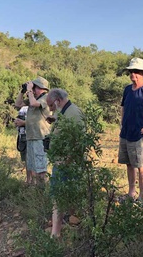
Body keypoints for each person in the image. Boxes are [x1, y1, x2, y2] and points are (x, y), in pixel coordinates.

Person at [118, 57, 143, 201]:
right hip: (125, 133)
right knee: (129, 164)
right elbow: (123, 107)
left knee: (141, 166)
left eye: (136, 72)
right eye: (131, 71)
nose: (133, 74)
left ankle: (141, 196)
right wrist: (122, 124)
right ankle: (131, 193)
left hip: (138, 135)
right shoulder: (128, 89)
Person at [45, 88, 84, 238]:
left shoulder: (74, 113)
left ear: (58, 101)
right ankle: (67, 228)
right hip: (62, 161)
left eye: (51, 106)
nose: (50, 109)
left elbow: (79, 141)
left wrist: (65, 160)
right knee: (65, 197)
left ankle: (56, 233)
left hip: (66, 163)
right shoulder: (64, 111)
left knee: (58, 197)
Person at [15, 76, 51, 184]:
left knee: (40, 169)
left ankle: (42, 191)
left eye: (34, 87)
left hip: (40, 138)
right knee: (32, 168)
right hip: (31, 137)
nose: (33, 90)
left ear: (40, 88)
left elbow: (34, 104)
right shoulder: (34, 98)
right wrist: (23, 91)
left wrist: (30, 90)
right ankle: (34, 191)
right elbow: (18, 104)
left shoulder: (46, 98)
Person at [14, 106, 29, 183]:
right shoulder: (23, 107)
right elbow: (17, 104)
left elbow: (37, 122)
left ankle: (32, 181)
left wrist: (23, 123)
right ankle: (28, 180)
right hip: (21, 135)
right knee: (26, 161)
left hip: (30, 136)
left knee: (31, 161)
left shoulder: (38, 105)